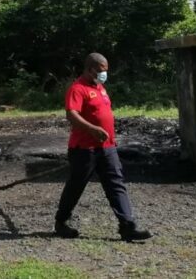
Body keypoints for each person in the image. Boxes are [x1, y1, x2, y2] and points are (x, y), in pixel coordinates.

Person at [54, 53, 152, 242]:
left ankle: (128, 226)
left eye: (105, 71)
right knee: (76, 186)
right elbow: (71, 115)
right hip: (84, 149)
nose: (103, 74)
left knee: (116, 185)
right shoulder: (77, 88)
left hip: (107, 148)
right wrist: (92, 129)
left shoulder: (100, 88)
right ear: (90, 69)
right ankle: (61, 222)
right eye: (100, 71)